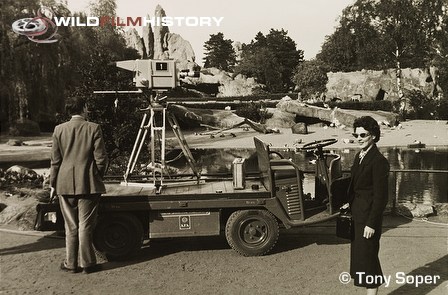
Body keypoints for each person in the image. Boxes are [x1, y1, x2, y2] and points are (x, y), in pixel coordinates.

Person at [50, 96, 109, 274]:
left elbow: (55, 161)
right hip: (88, 182)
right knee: (85, 225)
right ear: (83, 108)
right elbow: (101, 159)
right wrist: (97, 175)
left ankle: (71, 263)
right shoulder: (93, 128)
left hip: (64, 183)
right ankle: (88, 264)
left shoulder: (58, 130)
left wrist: (53, 184)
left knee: (71, 226)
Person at [348, 116, 390, 295]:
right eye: (355, 135)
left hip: (368, 220)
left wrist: (372, 223)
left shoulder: (378, 161)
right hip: (358, 215)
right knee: (362, 260)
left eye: (362, 135)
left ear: (373, 135)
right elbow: (355, 185)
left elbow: (381, 197)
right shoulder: (360, 156)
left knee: (369, 261)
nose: (358, 139)